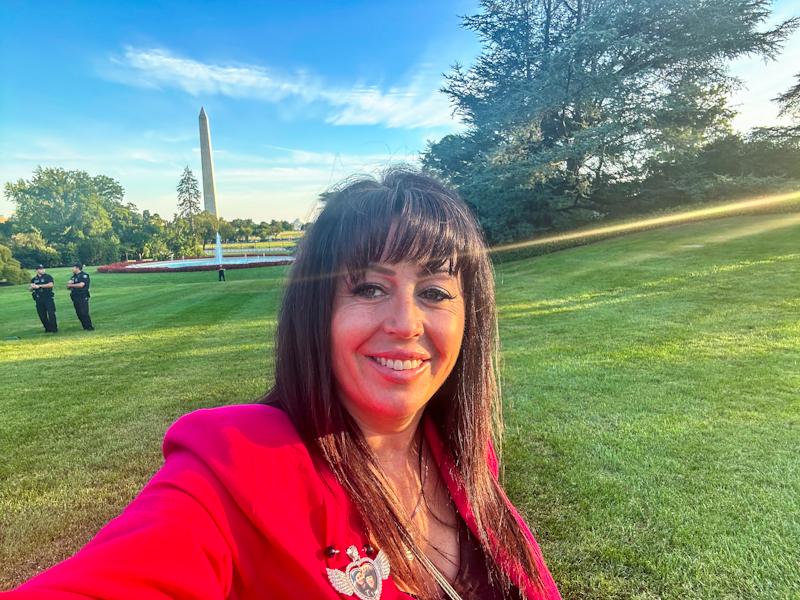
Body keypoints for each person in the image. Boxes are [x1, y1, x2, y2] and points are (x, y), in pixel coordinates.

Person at [8, 170, 561, 600]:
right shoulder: (237, 465)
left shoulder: (465, 452)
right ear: (315, 311)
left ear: (473, 317)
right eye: (369, 288)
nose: (406, 324)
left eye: (436, 292)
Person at [28, 264, 58, 333]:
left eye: (42, 268)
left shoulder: (48, 277)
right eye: (40, 269)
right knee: (42, 315)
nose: (42, 270)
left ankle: (54, 329)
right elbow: (30, 289)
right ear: (37, 270)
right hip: (39, 299)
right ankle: (47, 328)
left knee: (51, 314)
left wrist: (39, 286)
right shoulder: (34, 279)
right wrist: (31, 287)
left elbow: (50, 285)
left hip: (48, 298)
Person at [67, 263, 94, 331]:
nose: (72, 269)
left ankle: (89, 327)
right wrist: (69, 285)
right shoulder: (73, 277)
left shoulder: (84, 275)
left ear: (77, 268)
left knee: (84, 312)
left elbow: (81, 285)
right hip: (75, 296)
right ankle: (85, 326)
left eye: (73, 267)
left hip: (82, 296)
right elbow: (68, 286)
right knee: (78, 313)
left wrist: (71, 285)